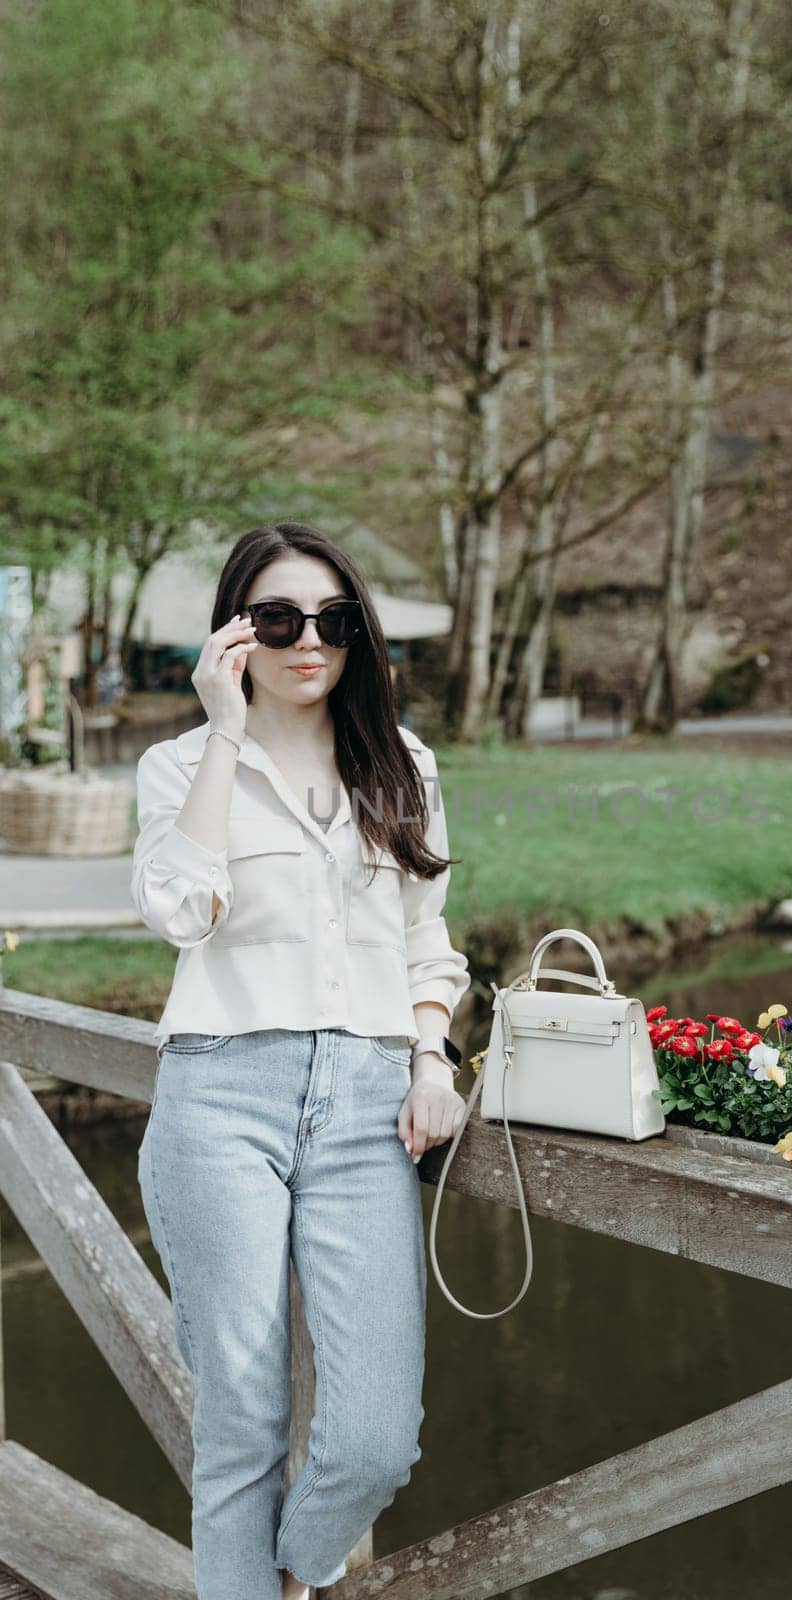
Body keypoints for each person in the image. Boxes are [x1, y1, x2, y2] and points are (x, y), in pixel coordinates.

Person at [130, 521, 471, 1600]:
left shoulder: (402, 764)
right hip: (219, 1094)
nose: (307, 641)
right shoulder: (181, 766)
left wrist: (432, 1058)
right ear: (236, 632)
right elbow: (179, 911)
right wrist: (223, 733)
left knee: (374, 1438)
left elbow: (427, 938)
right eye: (278, 619)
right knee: (241, 1424)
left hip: (373, 1101)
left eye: (332, 619)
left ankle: (285, 1570)